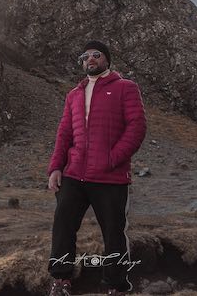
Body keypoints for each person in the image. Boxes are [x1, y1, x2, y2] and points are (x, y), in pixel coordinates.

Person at [46, 40, 147, 296]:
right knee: (63, 227)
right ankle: (61, 280)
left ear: (106, 60)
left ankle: (115, 286)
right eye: (85, 56)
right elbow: (64, 134)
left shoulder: (126, 88)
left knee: (114, 233)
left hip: (110, 178)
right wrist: (55, 168)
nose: (90, 59)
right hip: (74, 174)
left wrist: (113, 158)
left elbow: (137, 127)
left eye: (96, 55)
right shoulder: (74, 95)